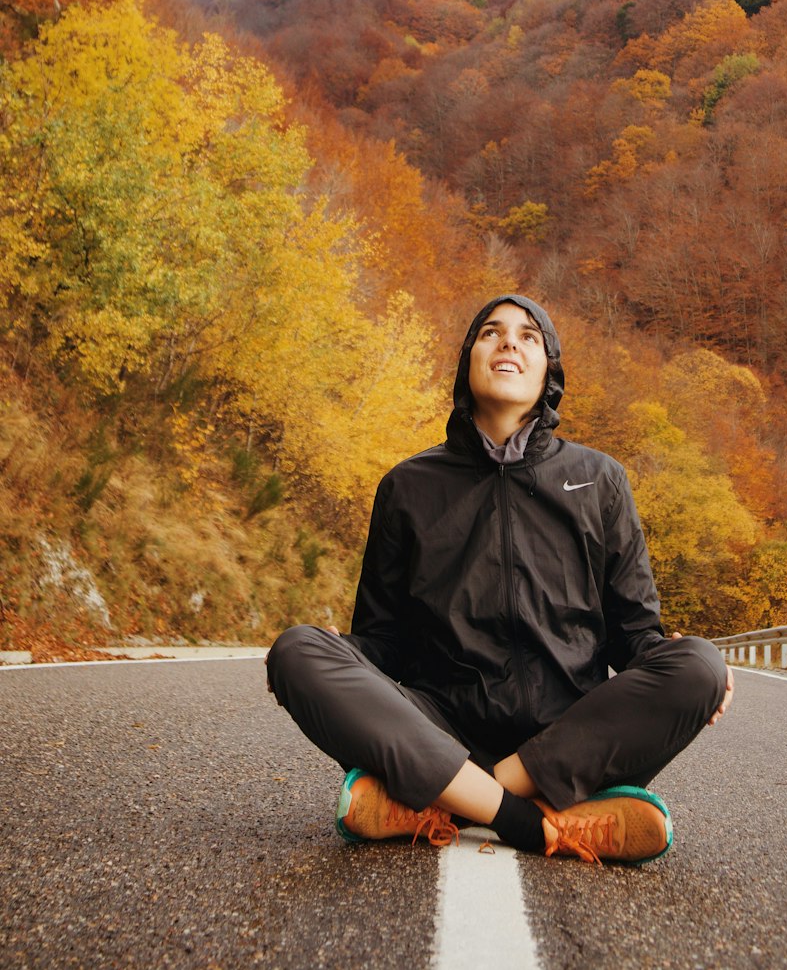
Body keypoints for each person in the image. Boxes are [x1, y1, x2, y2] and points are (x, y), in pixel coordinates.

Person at [266, 294, 733, 864]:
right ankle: (537, 821)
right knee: (296, 650)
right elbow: (383, 639)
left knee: (702, 664)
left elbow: (634, 636)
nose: (509, 341)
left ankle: (449, 800)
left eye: (529, 336)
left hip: (566, 734)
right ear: (468, 361)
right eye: (491, 332)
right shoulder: (407, 486)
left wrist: (679, 665)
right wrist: (337, 658)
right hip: (438, 727)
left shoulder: (600, 480)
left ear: (548, 371)